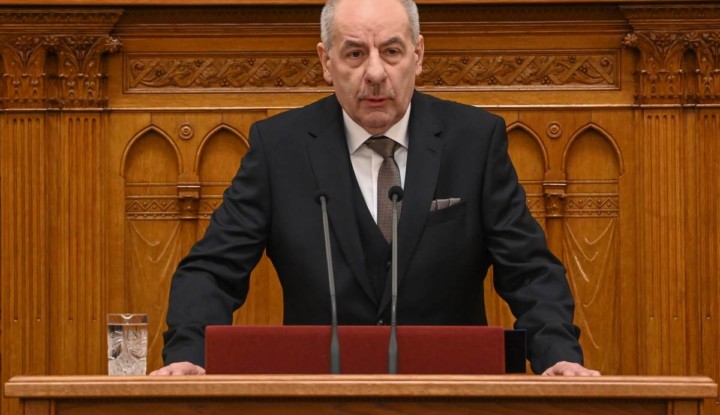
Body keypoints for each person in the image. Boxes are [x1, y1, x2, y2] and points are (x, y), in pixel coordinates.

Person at [151, 0, 600, 377]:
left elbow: (529, 271)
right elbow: (213, 270)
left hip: (452, 393)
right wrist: (190, 354)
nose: (375, 72)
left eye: (391, 51)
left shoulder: (474, 141)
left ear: (418, 55)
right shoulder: (280, 148)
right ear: (326, 62)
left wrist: (556, 356)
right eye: (354, 54)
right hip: (319, 397)